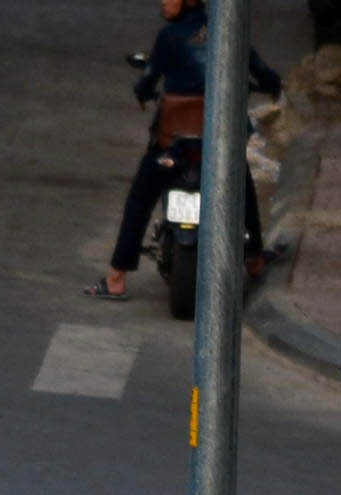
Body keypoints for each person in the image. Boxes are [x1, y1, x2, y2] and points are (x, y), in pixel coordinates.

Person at [100, 0, 283, 301]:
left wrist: (142, 92)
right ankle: (254, 260)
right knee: (242, 185)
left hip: (175, 145)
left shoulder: (169, 37)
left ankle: (116, 278)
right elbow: (263, 72)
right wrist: (273, 85)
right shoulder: (231, 32)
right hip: (220, 143)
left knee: (140, 198)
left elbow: (147, 81)